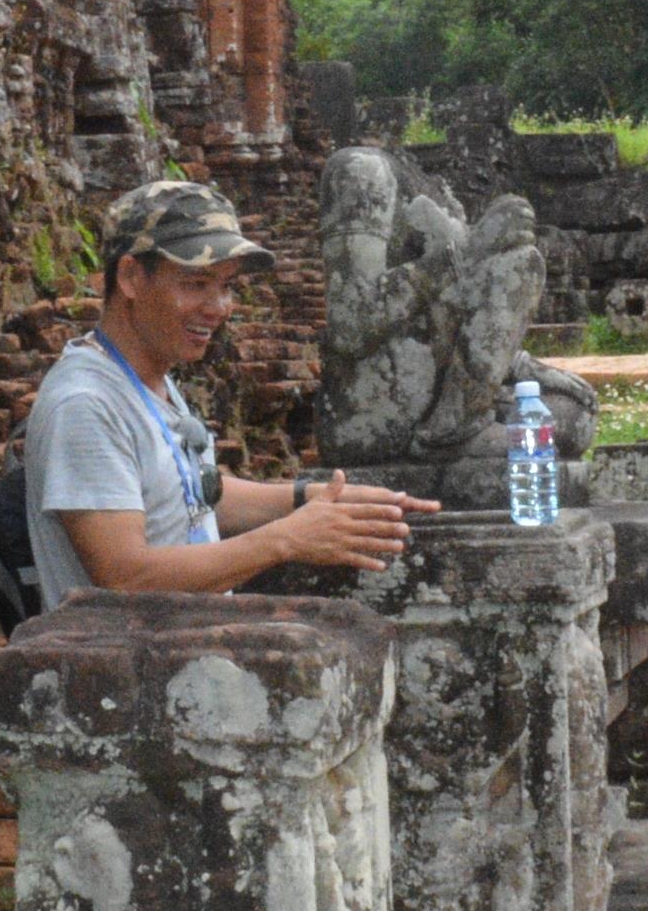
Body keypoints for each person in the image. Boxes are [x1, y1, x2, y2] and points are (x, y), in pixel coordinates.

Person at [22, 181, 434, 600]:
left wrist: (309, 498)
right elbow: (125, 575)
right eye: (196, 283)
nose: (219, 307)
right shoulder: (86, 404)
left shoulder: (149, 379)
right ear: (129, 276)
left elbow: (187, 493)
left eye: (227, 286)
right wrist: (285, 539)